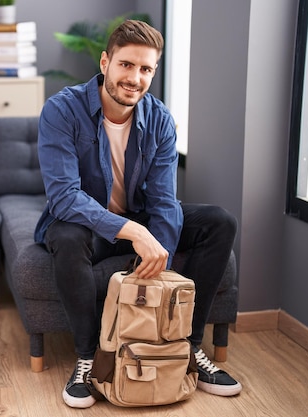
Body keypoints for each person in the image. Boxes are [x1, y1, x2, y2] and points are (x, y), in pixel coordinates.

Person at [35, 19, 243, 409]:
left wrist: (156, 256)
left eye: (146, 69)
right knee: (65, 234)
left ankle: (186, 345)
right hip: (86, 225)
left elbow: (165, 201)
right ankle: (88, 357)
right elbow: (64, 198)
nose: (135, 78)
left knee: (220, 221)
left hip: (138, 217)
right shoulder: (62, 110)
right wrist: (133, 232)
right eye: (127, 65)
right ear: (105, 62)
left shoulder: (160, 120)